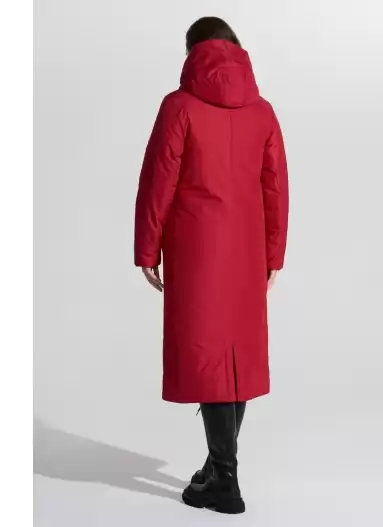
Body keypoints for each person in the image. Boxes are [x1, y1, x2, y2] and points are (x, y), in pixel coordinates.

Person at [134, 16, 289, 514]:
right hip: (246, 251)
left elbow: (158, 181)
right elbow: (275, 188)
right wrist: (273, 255)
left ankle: (225, 479)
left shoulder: (178, 106)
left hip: (196, 250)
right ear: (235, 49)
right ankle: (217, 465)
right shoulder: (262, 112)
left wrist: (147, 249)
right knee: (235, 358)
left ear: (193, 53)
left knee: (209, 358)